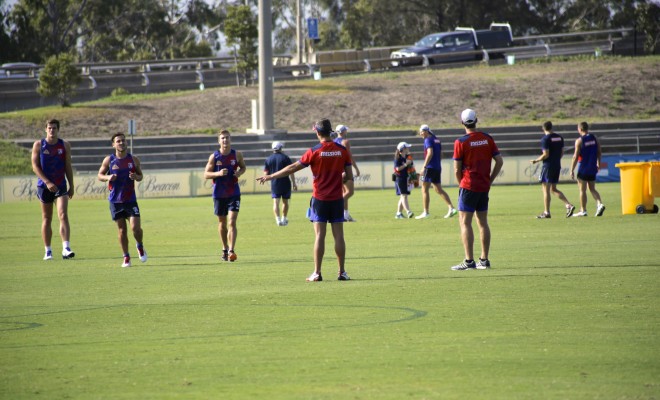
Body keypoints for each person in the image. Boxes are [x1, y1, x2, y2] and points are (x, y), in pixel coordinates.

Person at [257, 118, 352, 282]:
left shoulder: (314, 151)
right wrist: (336, 179)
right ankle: (342, 272)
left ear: (317, 132)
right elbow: (349, 176)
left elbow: (293, 167)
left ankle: (317, 273)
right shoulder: (342, 150)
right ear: (330, 132)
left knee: (319, 236)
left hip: (320, 199)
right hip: (337, 198)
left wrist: (271, 176)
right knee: (339, 236)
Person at [451, 109, 504, 271]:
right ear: (476, 120)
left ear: (462, 123)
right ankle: (484, 260)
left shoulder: (461, 142)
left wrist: (461, 183)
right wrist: (490, 180)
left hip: (468, 186)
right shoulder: (487, 138)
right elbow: (499, 161)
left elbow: (456, 169)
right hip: (483, 186)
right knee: (483, 222)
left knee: (465, 222)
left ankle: (469, 261)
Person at [97, 133, 148, 268]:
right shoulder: (109, 160)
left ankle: (140, 246)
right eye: (118, 141)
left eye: (123, 140)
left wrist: (136, 176)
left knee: (136, 228)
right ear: (113, 144)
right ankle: (126, 257)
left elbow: (140, 176)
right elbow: (100, 175)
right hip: (115, 201)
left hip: (130, 200)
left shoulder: (133, 159)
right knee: (122, 230)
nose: (121, 143)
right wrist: (108, 177)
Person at [31, 119, 75, 261]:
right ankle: (48, 250)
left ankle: (66, 248)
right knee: (47, 218)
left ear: (58, 129)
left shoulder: (64, 145)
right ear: (46, 129)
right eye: (49, 128)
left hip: (60, 185)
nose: (52, 130)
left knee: (63, 214)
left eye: (54, 128)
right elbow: (35, 167)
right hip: (44, 187)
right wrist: (47, 182)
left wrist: (71, 185)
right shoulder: (39, 145)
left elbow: (68, 165)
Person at [204, 129, 247, 262]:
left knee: (232, 221)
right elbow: (206, 174)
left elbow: (243, 167)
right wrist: (218, 174)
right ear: (219, 141)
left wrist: (239, 173)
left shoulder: (237, 154)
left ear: (230, 139)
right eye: (222, 138)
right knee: (222, 223)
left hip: (234, 193)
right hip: (219, 194)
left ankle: (231, 250)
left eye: (227, 137)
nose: (225, 140)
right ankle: (224, 248)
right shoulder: (214, 156)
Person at [530, 121, 576, 218]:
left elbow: (546, 154)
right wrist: (556, 160)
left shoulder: (545, 139)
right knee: (553, 189)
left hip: (548, 166)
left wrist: (536, 160)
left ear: (543, 128)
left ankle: (546, 212)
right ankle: (568, 205)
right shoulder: (559, 137)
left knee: (545, 189)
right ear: (551, 127)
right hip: (557, 165)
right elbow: (562, 152)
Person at [415, 124, 457, 219]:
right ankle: (451, 208)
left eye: (421, 132)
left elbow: (430, 153)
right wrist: (437, 164)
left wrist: (424, 167)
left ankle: (426, 212)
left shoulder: (428, 139)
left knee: (424, 189)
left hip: (429, 168)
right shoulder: (436, 139)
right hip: (437, 167)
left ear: (426, 131)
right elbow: (441, 154)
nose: (420, 134)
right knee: (438, 189)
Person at [569, 121, 606, 217]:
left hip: (583, 168)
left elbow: (575, 157)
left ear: (580, 129)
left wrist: (572, 169)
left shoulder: (579, 141)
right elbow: (599, 152)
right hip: (592, 167)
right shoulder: (594, 138)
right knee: (592, 188)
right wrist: (598, 163)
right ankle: (599, 204)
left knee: (582, 190)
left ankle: (583, 210)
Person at [263, 141, 298, 226]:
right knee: (285, 202)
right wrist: (294, 183)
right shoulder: (285, 158)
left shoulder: (268, 159)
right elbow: (291, 171)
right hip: (285, 183)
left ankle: (278, 220)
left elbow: (265, 173)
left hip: (275, 184)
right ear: (280, 148)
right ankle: (284, 218)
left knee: (276, 202)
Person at [333, 124, 360, 222]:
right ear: (343, 131)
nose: (347, 132)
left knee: (344, 193)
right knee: (350, 192)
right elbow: (349, 157)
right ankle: (335, 208)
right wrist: (356, 169)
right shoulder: (345, 142)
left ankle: (345, 215)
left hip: (336, 170)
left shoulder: (333, 142)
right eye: (346, 130)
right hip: (345, 170)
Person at [393, 142, 415, 219]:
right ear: (403, 149)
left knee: (403, 196)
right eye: (406, 148)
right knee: (403, 195)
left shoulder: (407, 157)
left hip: (406, 178)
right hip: (400, 178)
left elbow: (411, 166)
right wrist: (406, 164)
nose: (408, 149)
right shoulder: (398, 158)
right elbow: (397, 169)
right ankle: (408, 211)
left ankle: (398, 214)